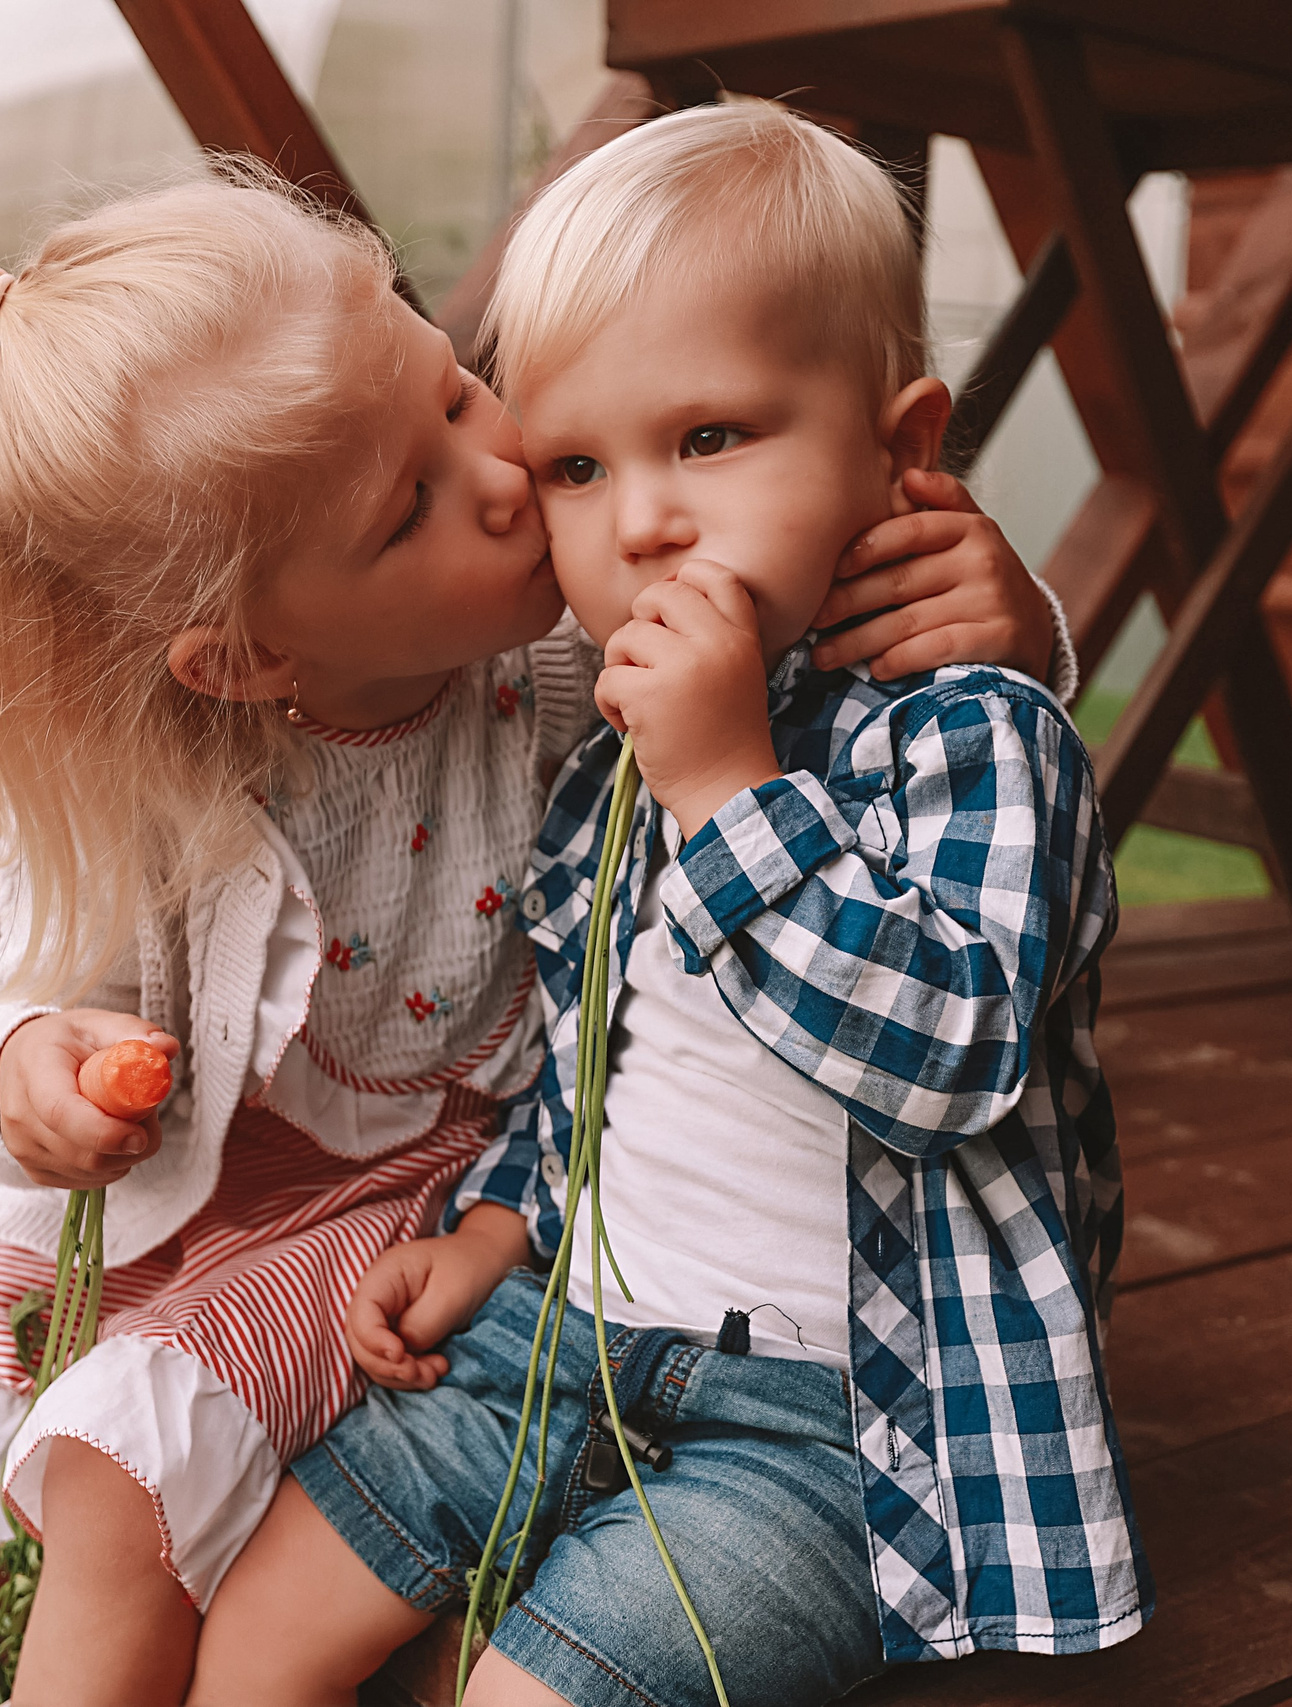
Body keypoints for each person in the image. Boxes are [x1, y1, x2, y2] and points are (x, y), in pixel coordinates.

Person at [0, 164, 1072, 1707]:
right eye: (413, 504)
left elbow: (830, 632)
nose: (514, 479)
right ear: (247, 657)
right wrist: (33, 1074)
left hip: (407, 1204)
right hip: (170, 1208)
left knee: (119, 1495)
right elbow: (4, 1005)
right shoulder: (151, 781)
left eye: (459, 393)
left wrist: (1018, 616)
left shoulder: (586, 663)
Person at [190, 101, 1147, 1707]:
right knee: (263, 1630)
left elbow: (950, 1059)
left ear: (906, 445)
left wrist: (727, 793)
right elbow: (597, 1056)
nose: (642, 520)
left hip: (837, 1418)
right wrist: (499, 1230)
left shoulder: (969, 734)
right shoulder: (616, 745)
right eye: (575, 464)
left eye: (710, 437)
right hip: (558, 1341)